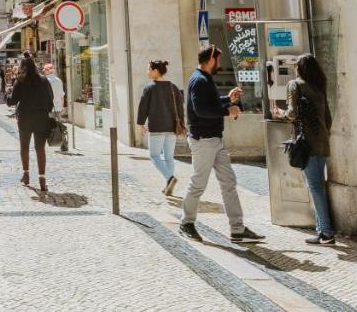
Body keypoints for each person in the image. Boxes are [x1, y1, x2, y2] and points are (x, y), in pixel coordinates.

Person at [180, 45, 264, 244]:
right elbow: (201, 110)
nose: (219, 64)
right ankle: (186, 223)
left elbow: (209, 102)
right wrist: (228, 111)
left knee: (229, 182)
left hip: (215, 139)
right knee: (198, 183)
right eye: (218, 60)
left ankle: (237, 229)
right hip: (203, 141)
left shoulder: (205, 79)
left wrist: (227, 99)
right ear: (211, 59)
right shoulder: (199, 80)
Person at [272, 54, 335, 245]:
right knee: (317, 186)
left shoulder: (295, 85)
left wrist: (279, 113)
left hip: (307, 144)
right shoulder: (319, 87)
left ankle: (326, 232)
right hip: (322, 142)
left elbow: (292, 114)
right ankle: (321, 230)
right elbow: (328, 119)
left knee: (315, 188)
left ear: (299, 68)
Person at [137, 59, 184, 196]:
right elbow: (180, 107)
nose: (147, 72)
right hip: (171, 127)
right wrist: (182, 125)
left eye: (149, 69)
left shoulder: (150, 87)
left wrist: (140, 124)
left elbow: (143, 108)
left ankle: (170, 178)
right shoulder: (173, 87)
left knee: (154, 156)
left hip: (157, 127)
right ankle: (169, 185)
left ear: (156, 71)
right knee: (169, 157)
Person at [9, 53, 54, 192]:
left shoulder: (20, 81)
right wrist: (44, 111)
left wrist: (8, 93)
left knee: (24, 147)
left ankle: (26, 174)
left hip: (25, 119)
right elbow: (50, 99)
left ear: (22, 67)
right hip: (41, 118)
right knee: (40, 148)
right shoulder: (43, 80)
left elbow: (11, 101)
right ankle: (42, 179)